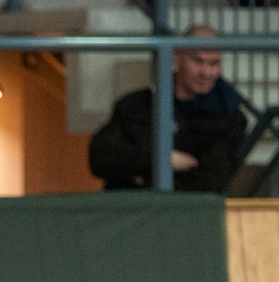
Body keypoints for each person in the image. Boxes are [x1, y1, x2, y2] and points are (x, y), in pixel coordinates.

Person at [89, 25, 248, 193]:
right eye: (197, 61)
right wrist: (163, 160)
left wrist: (140, 172)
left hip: (189, 214)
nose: (206, 73)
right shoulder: (134, 106)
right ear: (177, 59)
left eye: (214, 63)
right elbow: (102, 160)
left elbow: (211, 182)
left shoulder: (229, 118)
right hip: (131, 213)